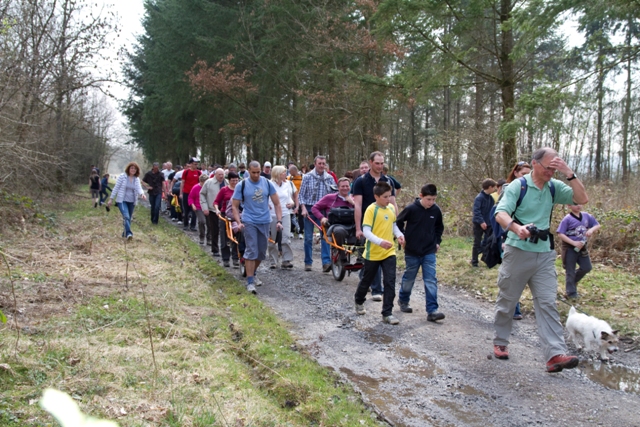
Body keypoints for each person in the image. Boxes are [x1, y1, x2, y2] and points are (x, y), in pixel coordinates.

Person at [492, 147, 588, 373]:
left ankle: (554, 354)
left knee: (547, 303)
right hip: (517, 251)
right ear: (535, 164)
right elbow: (500, 213)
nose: (550, 173)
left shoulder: (554, 187)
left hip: (544, 253)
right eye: (548, 168)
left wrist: (569, 173)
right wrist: (517, 227)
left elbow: (582, 198)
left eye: (554, 169)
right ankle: (501, 341)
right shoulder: (519, 186)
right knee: (508, 301)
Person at [354, 182, 404, 324]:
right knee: (367, 280)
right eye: (385, 197)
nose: (388, 199)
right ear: (376, 196)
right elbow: (366, 232)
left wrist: (400, 236)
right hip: (373, 253)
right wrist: (380, 242)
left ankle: (387, 313)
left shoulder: (391, 209)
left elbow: (394, 227)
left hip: (389, 252)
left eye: (390, 196)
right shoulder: (371, 210)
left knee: (390, 281)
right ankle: (359, 300)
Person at [231, 161, 283, 294]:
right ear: (248, 171)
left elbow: (277, 204)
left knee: (261, 252)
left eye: (258, 172)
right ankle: (249, 282)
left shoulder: (267, 183)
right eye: (253, 172)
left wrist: (279, 220)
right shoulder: (241, 185)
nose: (256, 175)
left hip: (264, 220)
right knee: (251, 250)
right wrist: (239, 221)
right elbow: (235, 206)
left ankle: (252, 272)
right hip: (249, 221)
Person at [396, 183, 445, 321]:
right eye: (429, 199)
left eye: (434, 199)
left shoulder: (436, 211)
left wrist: (437, 242)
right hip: (412, 250)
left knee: (430, 280)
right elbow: (398, 222)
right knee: (409, 278)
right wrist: (402, 236)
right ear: (421, 196)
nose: (431, 202)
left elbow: (439, 228)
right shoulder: (411, 209)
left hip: (429, 250)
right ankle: (403, 300)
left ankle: (432, 310)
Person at [353, 151, 397, 300]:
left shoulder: (388, 181)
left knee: (385, 255)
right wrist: (358, 228)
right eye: (377, 163)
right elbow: (357, 205)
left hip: (385, 222)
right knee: (373, 256)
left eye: (382, 163)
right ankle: (376, 289)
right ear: (371, 162)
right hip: (369, 223)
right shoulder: (361, 181)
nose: (379, 166)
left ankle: (376, 287)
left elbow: (393, 203)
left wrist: (397, 226)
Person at [298, 155, 337, 272]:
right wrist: (303, 208)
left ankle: (326, 262)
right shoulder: (307, 177)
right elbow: (301, 195)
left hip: (323, 210)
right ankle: (308, 262)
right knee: (308, 237)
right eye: (319, 163)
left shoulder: (329, 178)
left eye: (323, 163)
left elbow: (334, 195)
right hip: (310, 208)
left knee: (325, 236)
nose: (321, 166)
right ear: (315, 164)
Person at [505, 161, 531, 320]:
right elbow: (499, 216)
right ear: (515, 173)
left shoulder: (535, 190)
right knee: (512, 276)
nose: (526, 178)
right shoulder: (509, 189)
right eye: (523, 174)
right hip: (510, 239)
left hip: (529, 241)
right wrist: (502, 238)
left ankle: (512, 306)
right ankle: (513, 309)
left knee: (519, 276)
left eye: (529, 174)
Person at [557, 204, 600, 299]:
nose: (578, 206)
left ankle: (572, 282)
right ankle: (571, 293)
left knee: (586, 267)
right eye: (575, 204)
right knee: (570, 270)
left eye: (579, 204)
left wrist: (591, 230)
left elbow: (597, 225)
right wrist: (573, 242)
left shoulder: (586, 216)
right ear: (569, 206)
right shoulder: (567, 219)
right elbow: (560, 233)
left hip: (582, 246)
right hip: (569, 247)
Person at [312, 177, 356, 263]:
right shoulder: (329, 198)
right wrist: (322, 218)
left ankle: (361, 258)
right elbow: (315, 208)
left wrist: (352, 203)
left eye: (347, 186)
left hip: (352, 225)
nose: (345, 188)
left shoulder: (354, 198)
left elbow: (362, 211)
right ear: (338, 187)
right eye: (342, 186)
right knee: (339, 231)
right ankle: (342, 255)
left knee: (363, 233)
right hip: (335, 225)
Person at [107, 162, 147, 240]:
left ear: (136, 170)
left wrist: (142, 194)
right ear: (128, 169)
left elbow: (139, 188)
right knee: (126, 216)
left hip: (132, 201)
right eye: (131, 168)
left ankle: (124, 233)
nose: (133, 170)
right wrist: (111, 199)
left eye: (135, 168)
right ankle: (129, 233)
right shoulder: (122, 177)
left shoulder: (136, 179)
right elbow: (116, 188)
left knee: (128, 218)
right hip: (122, 200)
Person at [268, 165, 298, 269]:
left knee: (286, 237)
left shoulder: (288, 184)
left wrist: (293, 204)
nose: (286, 174)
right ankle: (273, 261)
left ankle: (286, 260)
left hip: (285, 213)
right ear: (277, 174)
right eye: (283, 172)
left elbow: (291, 197)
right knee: (273, 239)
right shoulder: (269, 184)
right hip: (272, 213)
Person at [213, 172, 240, 267]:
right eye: (233, 180)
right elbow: (216, 202)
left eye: (236, 180)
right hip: (225, 215)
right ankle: (225, 258)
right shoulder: (224, 190)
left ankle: (236, 258)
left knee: (236, 237)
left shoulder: (240, 190)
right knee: (225, 237)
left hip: (237, 216)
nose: (235, 182)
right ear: (229, 180)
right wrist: (217, 210)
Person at [471, 178, 497, 267]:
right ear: (490, 187)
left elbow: (492, 211)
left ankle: (486, 259)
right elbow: (476, 211)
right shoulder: (479, 198)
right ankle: (474, 261)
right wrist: (481, 222)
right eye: (494, 187)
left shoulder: (490, 198)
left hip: (489, 224)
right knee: (477, 243)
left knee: (489, 242)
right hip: (478, 224)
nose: (494, 190)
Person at [200, 168, 226, 254]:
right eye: (219, 175)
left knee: (225, 231)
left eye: (222, 174)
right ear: (215, 175)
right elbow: (202, 194)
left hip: (225, 210)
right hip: (212, 210)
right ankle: (215, 249)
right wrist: (205, 207)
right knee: (214, 230)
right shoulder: (209, 182)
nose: (221, 176)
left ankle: (225, 249)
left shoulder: (227, 182)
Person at [180, 158, 202, 231]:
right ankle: (186, 224)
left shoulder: (199, 173)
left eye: (197, 164)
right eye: (195, 164)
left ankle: (193, 225)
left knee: (194, 210)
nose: (196, 165)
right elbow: (182, 182)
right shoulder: (186, 172)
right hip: (186, 192)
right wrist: (181, 193)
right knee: (186, 210)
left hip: (195, 194)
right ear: (191, 164)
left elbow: (202, 183)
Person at [189, 174, 209, 244]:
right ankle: (202, 236)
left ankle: (209, 238)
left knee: (210, 223)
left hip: (208, 206)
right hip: (198, 207)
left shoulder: (209, 188)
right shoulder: (195, 187)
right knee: (202, 221)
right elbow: (190, 197)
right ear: (201, 181)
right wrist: (192, 205)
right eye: (204, 182)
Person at [287, 164, 304, 239]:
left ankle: (300, 231)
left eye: (290, 172)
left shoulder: (302, 177)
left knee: (301, 216)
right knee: (292, 216)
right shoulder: (289, 178)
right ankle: (291, 231)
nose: (290, 173)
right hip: (292, 199)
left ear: (294, 171)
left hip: (301, 199)